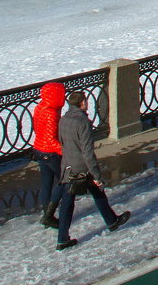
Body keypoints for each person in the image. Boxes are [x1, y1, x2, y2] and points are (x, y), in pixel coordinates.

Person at [55, 90, 130, 251]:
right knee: (96, 191)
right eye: (86, 101)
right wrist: (96, 174)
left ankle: (63, 238)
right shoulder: (83, 122)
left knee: (69, 203)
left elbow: (62, 142)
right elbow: (87, 152)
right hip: (82, 167)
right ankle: (111, 222)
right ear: (82, 103)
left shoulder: (63, 120)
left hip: (67, 165)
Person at [31, 82, 66, 229]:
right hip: (50, 153)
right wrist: (64, 151)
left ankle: (47, 214)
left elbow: (37, 129)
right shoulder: (51, 112)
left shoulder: (40, 106)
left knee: (46, 184)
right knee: (64, 180)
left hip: (38, 149)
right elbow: (51, 140)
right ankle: (49, 216)